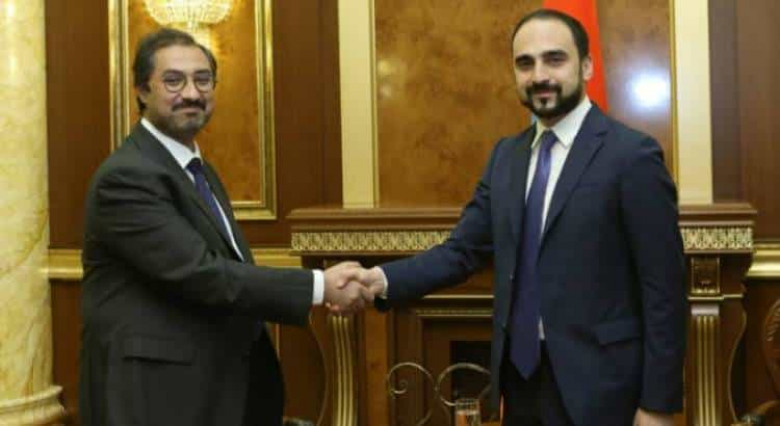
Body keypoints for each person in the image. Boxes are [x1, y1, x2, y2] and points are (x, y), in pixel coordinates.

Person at [353, 9, 687, 426]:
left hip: (603, 389)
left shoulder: (632, 156)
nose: (539, 75)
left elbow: (664, 289)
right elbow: (461, 252)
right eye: (525, 63)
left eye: (554, 59)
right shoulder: (506, 157)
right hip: (520, 382)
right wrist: (379, 281)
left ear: (586, 66)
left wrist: (657, 405)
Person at [79, 28, 369, 426]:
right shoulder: (128, 177)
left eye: (203, 80)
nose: (192, 93)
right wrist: (319, 286)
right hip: (157, 396)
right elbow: (201, 273)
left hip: (207, 387)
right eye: (173, 81)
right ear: (142, 91)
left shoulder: (196, 169)